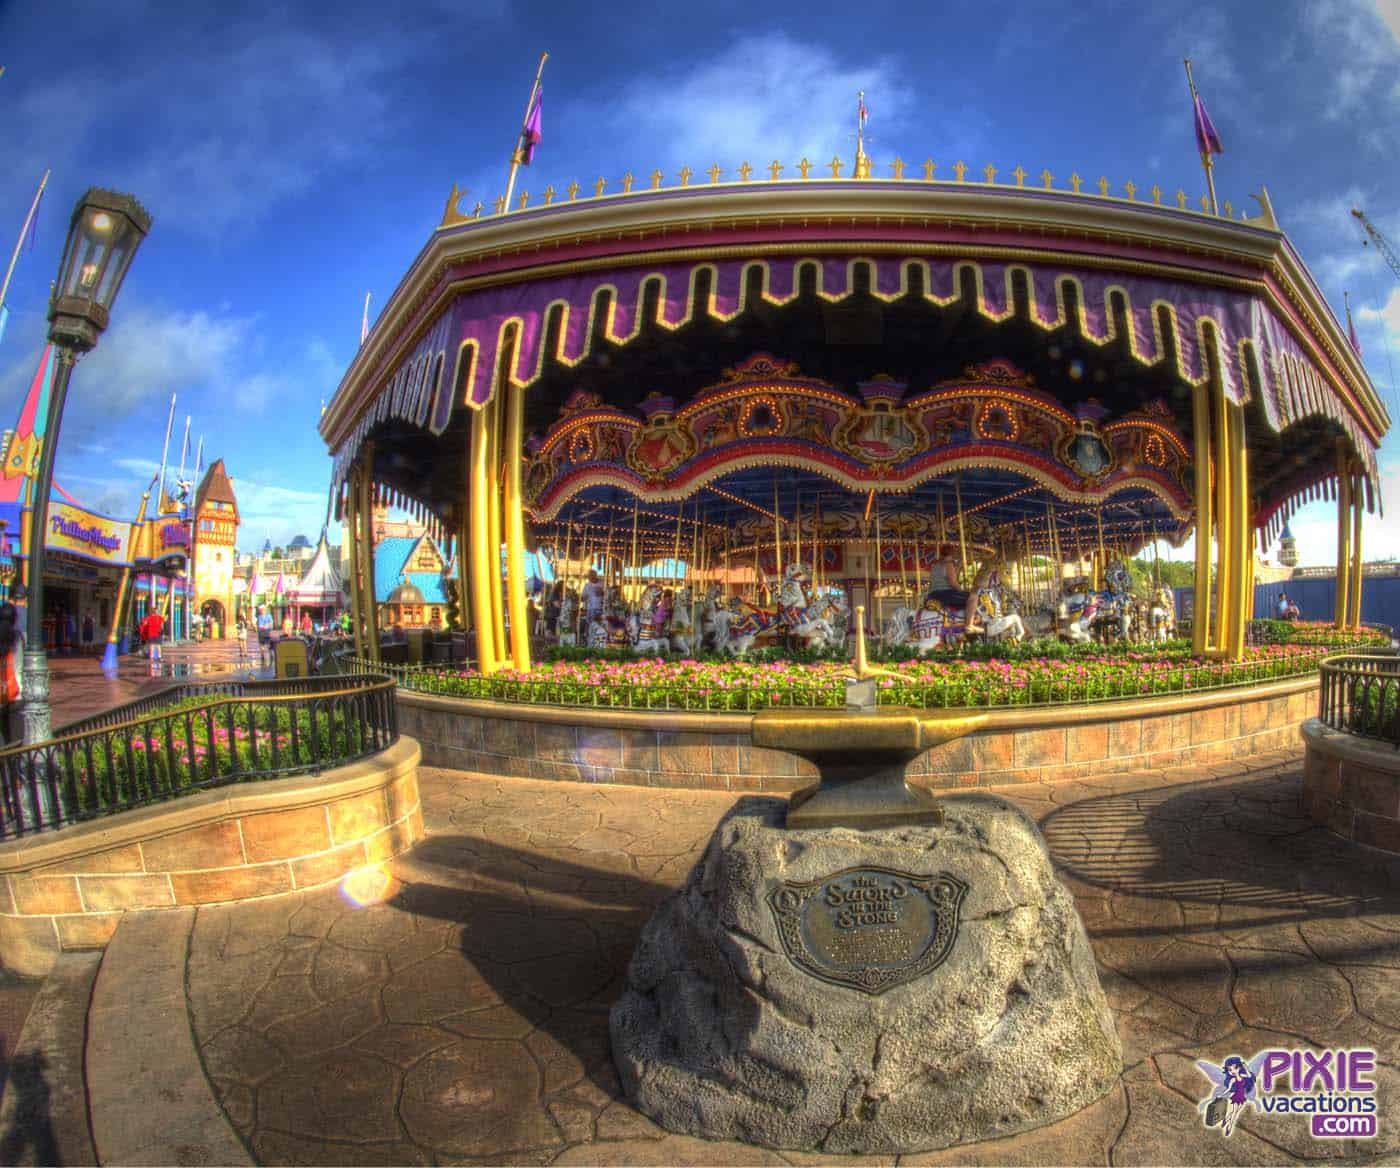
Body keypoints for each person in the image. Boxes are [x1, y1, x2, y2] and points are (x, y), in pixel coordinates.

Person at [0, 603, 22, 745]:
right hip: (17, 693)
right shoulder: (20, 638)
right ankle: (14, 766)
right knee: (15, 743)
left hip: (0, 695)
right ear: (15, 619)